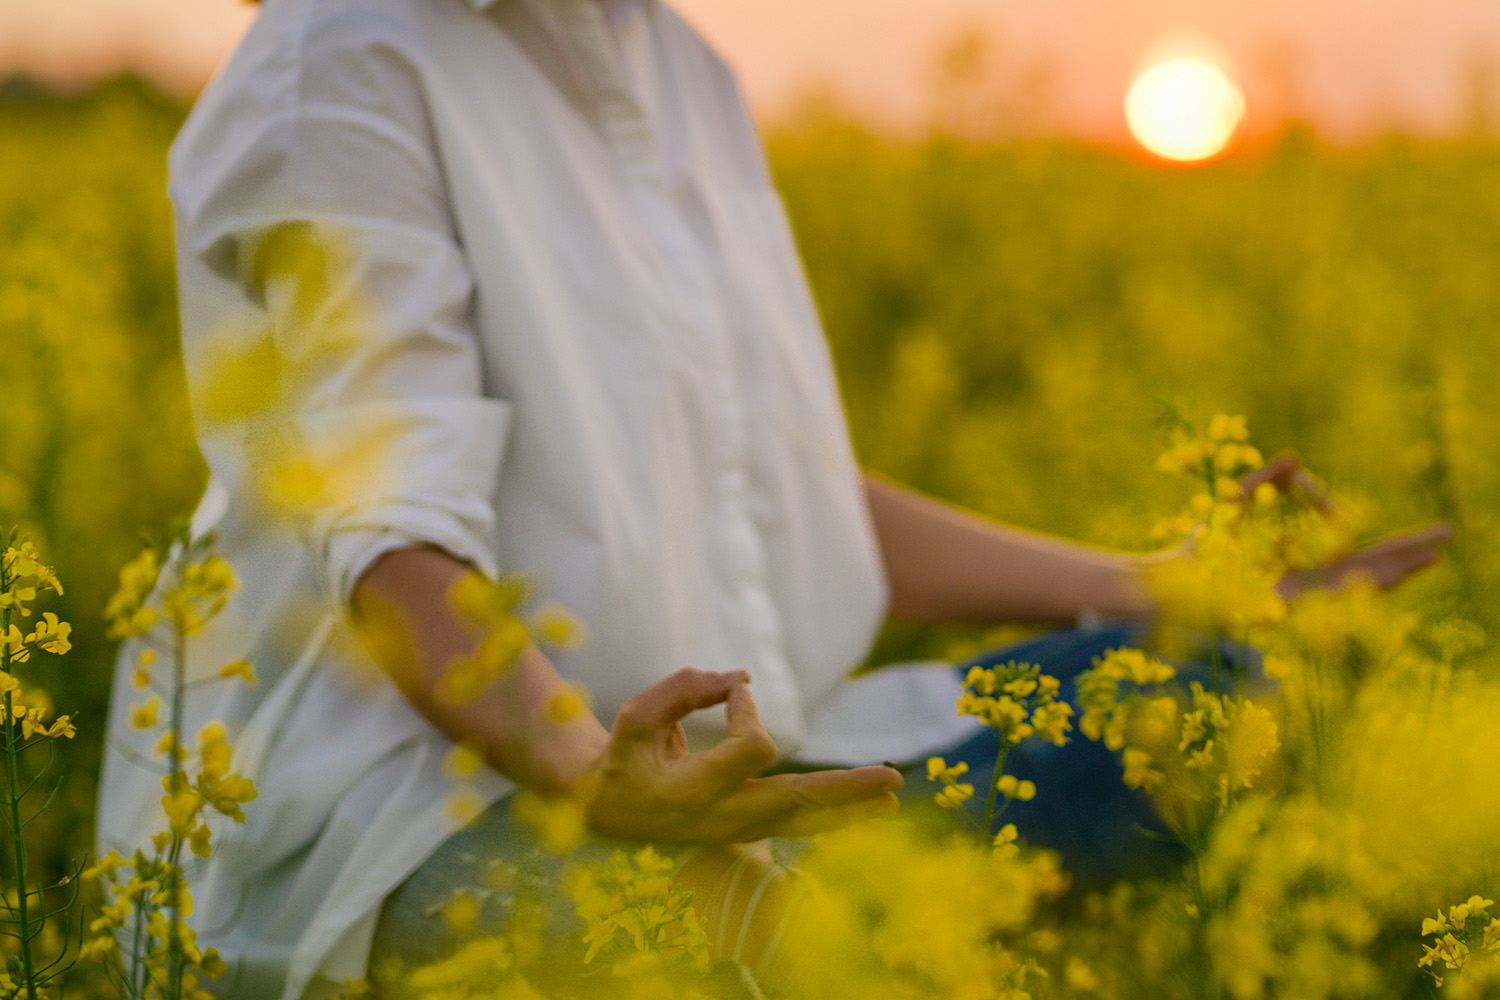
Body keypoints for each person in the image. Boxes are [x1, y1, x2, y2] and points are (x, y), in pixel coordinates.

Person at [95, 0, 1451, 996]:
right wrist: (594, 780)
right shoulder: (338, 65)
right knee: (774, 954)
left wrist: (1165, 576)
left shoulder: (682, 73)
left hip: (723, 773)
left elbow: (768, 485)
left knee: (1225, 696)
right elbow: (392, 540)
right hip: (426, 818)